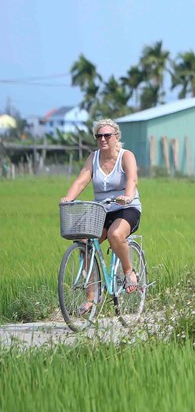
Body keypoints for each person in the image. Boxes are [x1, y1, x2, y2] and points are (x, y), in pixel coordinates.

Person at [61, 119, 143, 312]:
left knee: (115, 235)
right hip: (101, 210)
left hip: (126, 208)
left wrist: (128, 196)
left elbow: (132, 179)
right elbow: (81, 181)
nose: (103, 139)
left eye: (107, 135)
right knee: (85, 242)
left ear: (116, 137)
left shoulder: (126, 156)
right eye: (99, 136)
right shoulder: (93, 158)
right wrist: (68, 198)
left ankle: (129, 271)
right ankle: (91, 297)